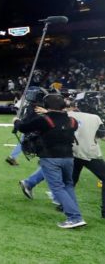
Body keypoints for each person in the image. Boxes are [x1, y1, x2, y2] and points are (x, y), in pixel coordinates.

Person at [16, 94, 85, 228]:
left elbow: (23, 128)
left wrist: (16, 121)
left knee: (57, 188)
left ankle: (75, 217)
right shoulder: (72, 121)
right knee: (68, 185)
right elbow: (66, 123)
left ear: (46, 106)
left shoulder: (43, 120)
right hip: (69, 158)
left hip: (50, 158)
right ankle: (74, 214)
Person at [69, 94, 105, 218]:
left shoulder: (70, 114)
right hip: (90, 153)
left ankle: (64, 205)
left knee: (72, 179)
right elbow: (102, 135)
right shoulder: (96, 118)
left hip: (73, 151)